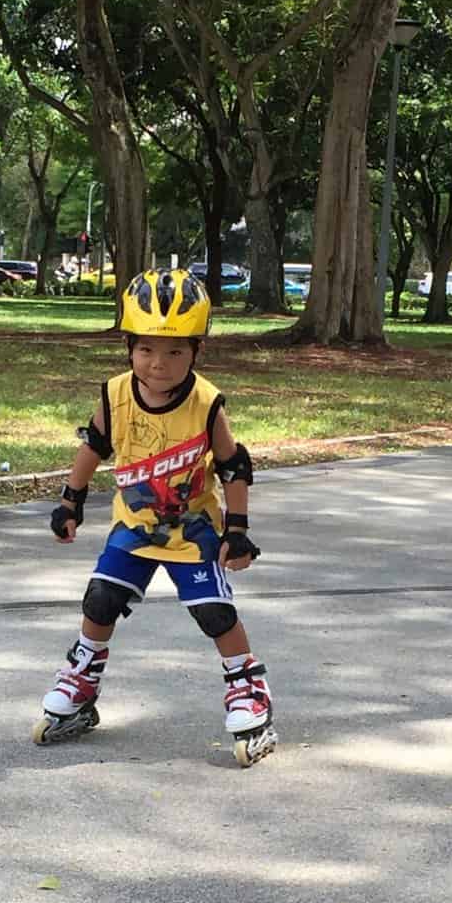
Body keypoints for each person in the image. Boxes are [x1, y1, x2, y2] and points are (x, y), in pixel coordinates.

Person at [33, 267, 277, 768]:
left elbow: (233, 464)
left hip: (193, 531)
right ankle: (82, 679)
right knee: (100, 599)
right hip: (134, 526)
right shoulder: (116, 393)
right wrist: (69, 501)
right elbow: (94, 446)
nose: (158, 363)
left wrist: (238, 529)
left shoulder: (207, 402)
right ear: (128, 346)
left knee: (214, 612)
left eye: (174, 352)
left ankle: (247, 685)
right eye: (145, 349)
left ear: (196, 351)